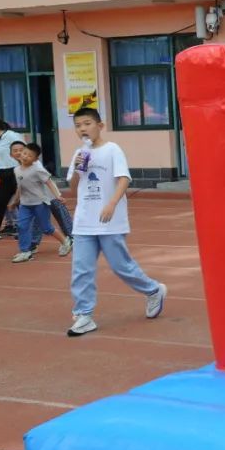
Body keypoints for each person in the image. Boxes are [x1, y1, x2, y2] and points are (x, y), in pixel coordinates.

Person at [66, 107, 167, 337]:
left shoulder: (112, 150)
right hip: (84, 222)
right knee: (81, 270)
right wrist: (78, 170)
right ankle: (83, 315)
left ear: (99, 126)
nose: (82, 128)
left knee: (121, 266)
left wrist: (111, 204)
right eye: (78, 125)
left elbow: (123, 179)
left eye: (87, 123)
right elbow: (73, 188)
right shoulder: (79, 154)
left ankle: (153, 290)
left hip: (110, 221)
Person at [7, 143, 70, 263]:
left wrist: (58, 196)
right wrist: (15, 201)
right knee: (21, 226)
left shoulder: (37, 169)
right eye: (24, 153)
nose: (25, 157)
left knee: (46, 228)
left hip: (40, 203)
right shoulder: (17, 170)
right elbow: (20, 187)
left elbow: (49, 182)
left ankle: (65, 241)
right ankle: (25, 251)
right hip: (25, 204)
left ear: (35, 159)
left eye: (30, 156)